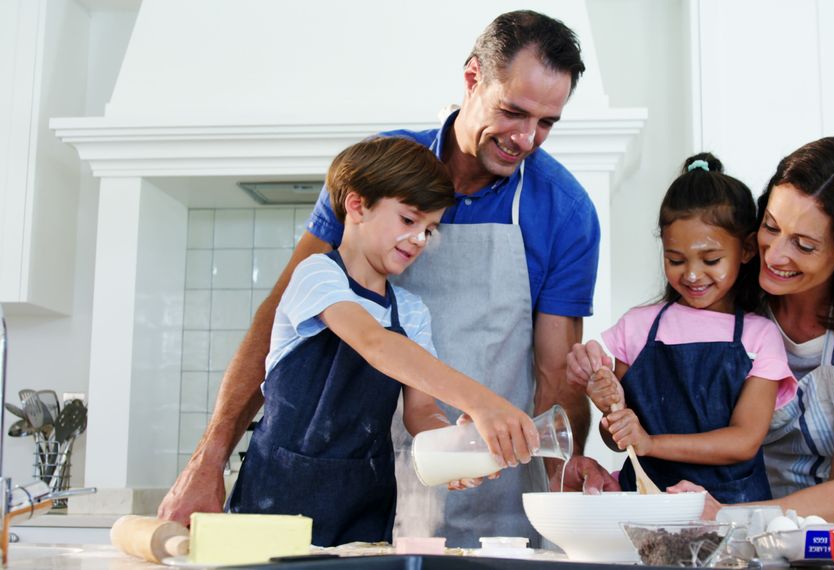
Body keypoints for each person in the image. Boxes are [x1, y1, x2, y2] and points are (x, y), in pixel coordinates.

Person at [159, 10, 599, 547]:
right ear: (472, 78)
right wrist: (210, 458)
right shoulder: (380, 172)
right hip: (375, 492)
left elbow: (555, 379)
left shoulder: (566, 211)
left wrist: (563, 503)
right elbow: (351, 336)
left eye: (548, 122)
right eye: (513, 111)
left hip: (490, 492)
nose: (527, 138)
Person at [570, 134, 834, 523]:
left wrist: (724, 515)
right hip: (764, 523)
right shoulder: (729, 304)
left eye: (804, 245)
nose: (774, 256)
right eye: (772, 227)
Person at [225, 138, 539, 546]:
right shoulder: (317, 276)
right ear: (357, 205)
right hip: (277, 499)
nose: (420, 240)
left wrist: (453, 449)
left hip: (364, 507)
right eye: (409, 220)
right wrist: (482, 402)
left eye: (429, 229)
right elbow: (374, 343)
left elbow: (422, 410)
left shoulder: (409, 311)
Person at [579, 153, 796, 504]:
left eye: (711, 260)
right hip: (646, 507)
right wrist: (610, 412)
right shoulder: (636, 328)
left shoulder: (760, 337)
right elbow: (618, 437)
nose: (692, 274)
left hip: (730, 513)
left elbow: (744, 440)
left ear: (745, 250)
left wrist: (652, 443)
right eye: (675, 260)